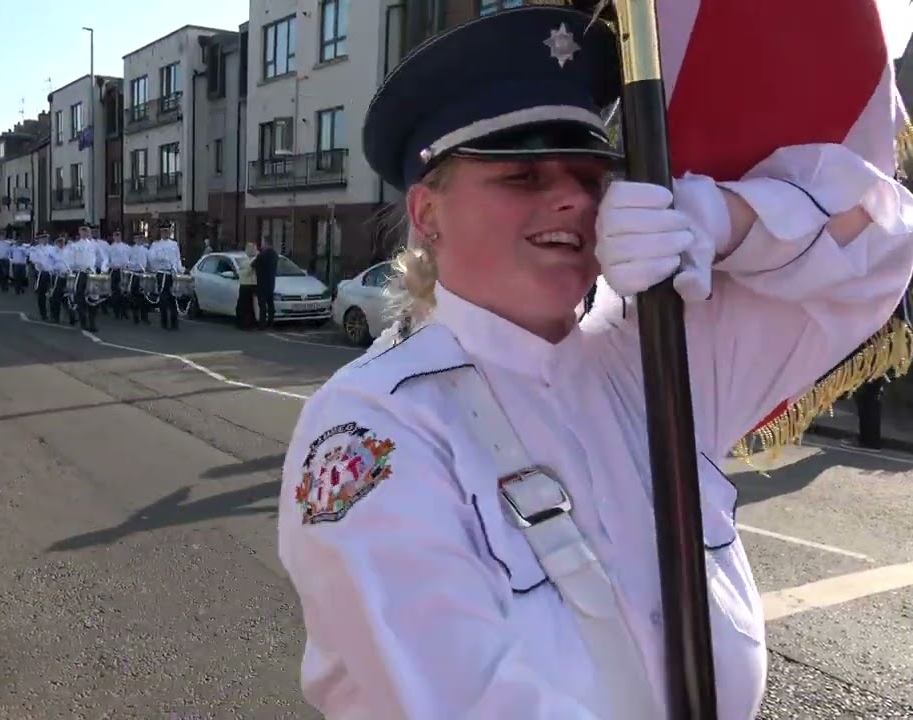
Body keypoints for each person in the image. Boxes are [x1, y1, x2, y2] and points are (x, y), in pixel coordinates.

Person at [276, 7, 913, 719]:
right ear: (428, 214)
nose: (574, 198)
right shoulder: (375, 421)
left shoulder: (657, 356)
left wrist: (719, 219)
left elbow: (883, 245)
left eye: (590, 173)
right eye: (522, 176)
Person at [147, 221, 184, 330]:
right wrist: (160, 259)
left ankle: (174, 322)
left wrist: (179, 270)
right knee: (163, 299)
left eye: (167, 231)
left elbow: (177, 258)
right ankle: (164, 322)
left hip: (172, 274)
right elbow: (151, 259)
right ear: (160, 232)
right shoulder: (156, 245)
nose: (165, 233)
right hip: (161, 274)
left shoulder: (174, 244)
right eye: (163, 231)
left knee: (173, 298)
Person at [251, 239, 278, 327]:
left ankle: (262, 323)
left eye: (263, 243)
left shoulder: (262, 255)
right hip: (271, 282)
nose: (262, 245)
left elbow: (253, 265)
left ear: (266, 244)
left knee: (262, 304)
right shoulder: (275, 255)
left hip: (262, 282)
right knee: (270, 302)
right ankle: (271, 321)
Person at [235, 242, 258, 329]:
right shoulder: (246, 260)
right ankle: (244, 323)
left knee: (247, 305)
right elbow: (246, 272)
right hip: (246, 284)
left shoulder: (249, 259)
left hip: (248, 284)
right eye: (254, 249)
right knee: (245, 305)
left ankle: (248, 323)